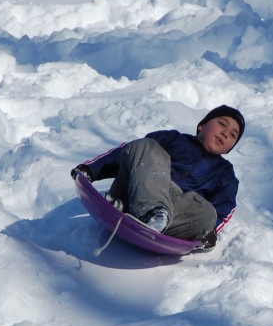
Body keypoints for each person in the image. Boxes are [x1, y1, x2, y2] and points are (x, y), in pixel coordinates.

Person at [71, 105, 244, 249]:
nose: (225, 133)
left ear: (230, 148)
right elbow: (131, 152)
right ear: (202, 125)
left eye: (233, 135)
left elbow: (224, 205)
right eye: (222, 124)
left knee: (208, 213)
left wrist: (211, 230)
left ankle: (158, 219)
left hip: (177, 210)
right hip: (138, 188)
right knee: (146, 146)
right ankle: (148, 210)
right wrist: (91, 170)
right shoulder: (172, 138)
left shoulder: (225, 173)